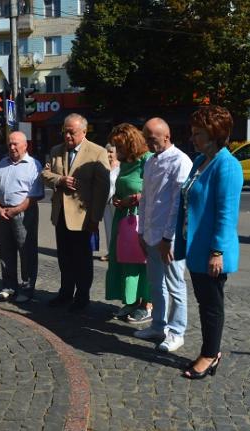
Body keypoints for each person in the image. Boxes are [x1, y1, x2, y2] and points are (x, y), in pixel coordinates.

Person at [175, 106, 242, 379]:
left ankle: (210, 354)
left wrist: (217, 251)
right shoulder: (201, 160)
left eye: (198, 133)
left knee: (211, 305)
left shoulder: (227, 165)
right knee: (204, 302)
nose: (192, 138)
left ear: (215, 134)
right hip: (196, 245)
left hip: (211, 251)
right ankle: (209, 350)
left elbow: (226, 215)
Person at [134, 118, 192, 352]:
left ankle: (177, 331)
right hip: (151, 234)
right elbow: (146, 197)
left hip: (170, 238)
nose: (148, 143)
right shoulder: (150, 162)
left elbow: (178, 204)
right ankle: (158, 325)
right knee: (155, 284)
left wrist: (168, 238)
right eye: (146, 138)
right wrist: (140, 231)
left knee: (176, 285)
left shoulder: (180, 161)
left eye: (152, 139)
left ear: (166, 137)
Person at [42, 114, 110, 313]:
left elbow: (102, 189)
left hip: (83, 217)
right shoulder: (56, 150)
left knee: (82, 259)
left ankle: (82, 297)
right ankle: (65, 293)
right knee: (64, 258)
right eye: (65, 131)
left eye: (72, 132)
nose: (68, 136)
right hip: (60, 214)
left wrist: (95, 218)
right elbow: (45, 174)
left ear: (84, 132)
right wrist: (60, 180)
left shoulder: (97, 152)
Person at [104, 124, 153, 323]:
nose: (118, 151)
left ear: (132, 143)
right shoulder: (125, 163)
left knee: (142, 261)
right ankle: (131, 301)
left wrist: (135, 198)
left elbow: (154, 191)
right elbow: (122, 184)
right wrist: (117, 197)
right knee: (126, 260)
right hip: (124, 218)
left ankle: (147, 304)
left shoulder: (147, 160)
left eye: (121, 146)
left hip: (141, 219)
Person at [0, 131, 44, 303]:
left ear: (25, 145)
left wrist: (17, 209)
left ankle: (27, 289)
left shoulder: (33, 164)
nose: (12, 147)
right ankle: (8, 286)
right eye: (10, 143)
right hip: (3, 213)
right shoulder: (2, 163)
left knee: (26, 251)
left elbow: (35, 195)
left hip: (24, 214)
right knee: (6, 251)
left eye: (16, 144)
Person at [101, 143, 121, 261]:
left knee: (118, 228)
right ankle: (110, 252)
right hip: (105, 202)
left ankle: (120, 252)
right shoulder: (103, 167)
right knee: (108, 228)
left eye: (111, 152)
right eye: (107, 151)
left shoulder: (121, 167)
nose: (108, 154)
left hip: (117, 202)